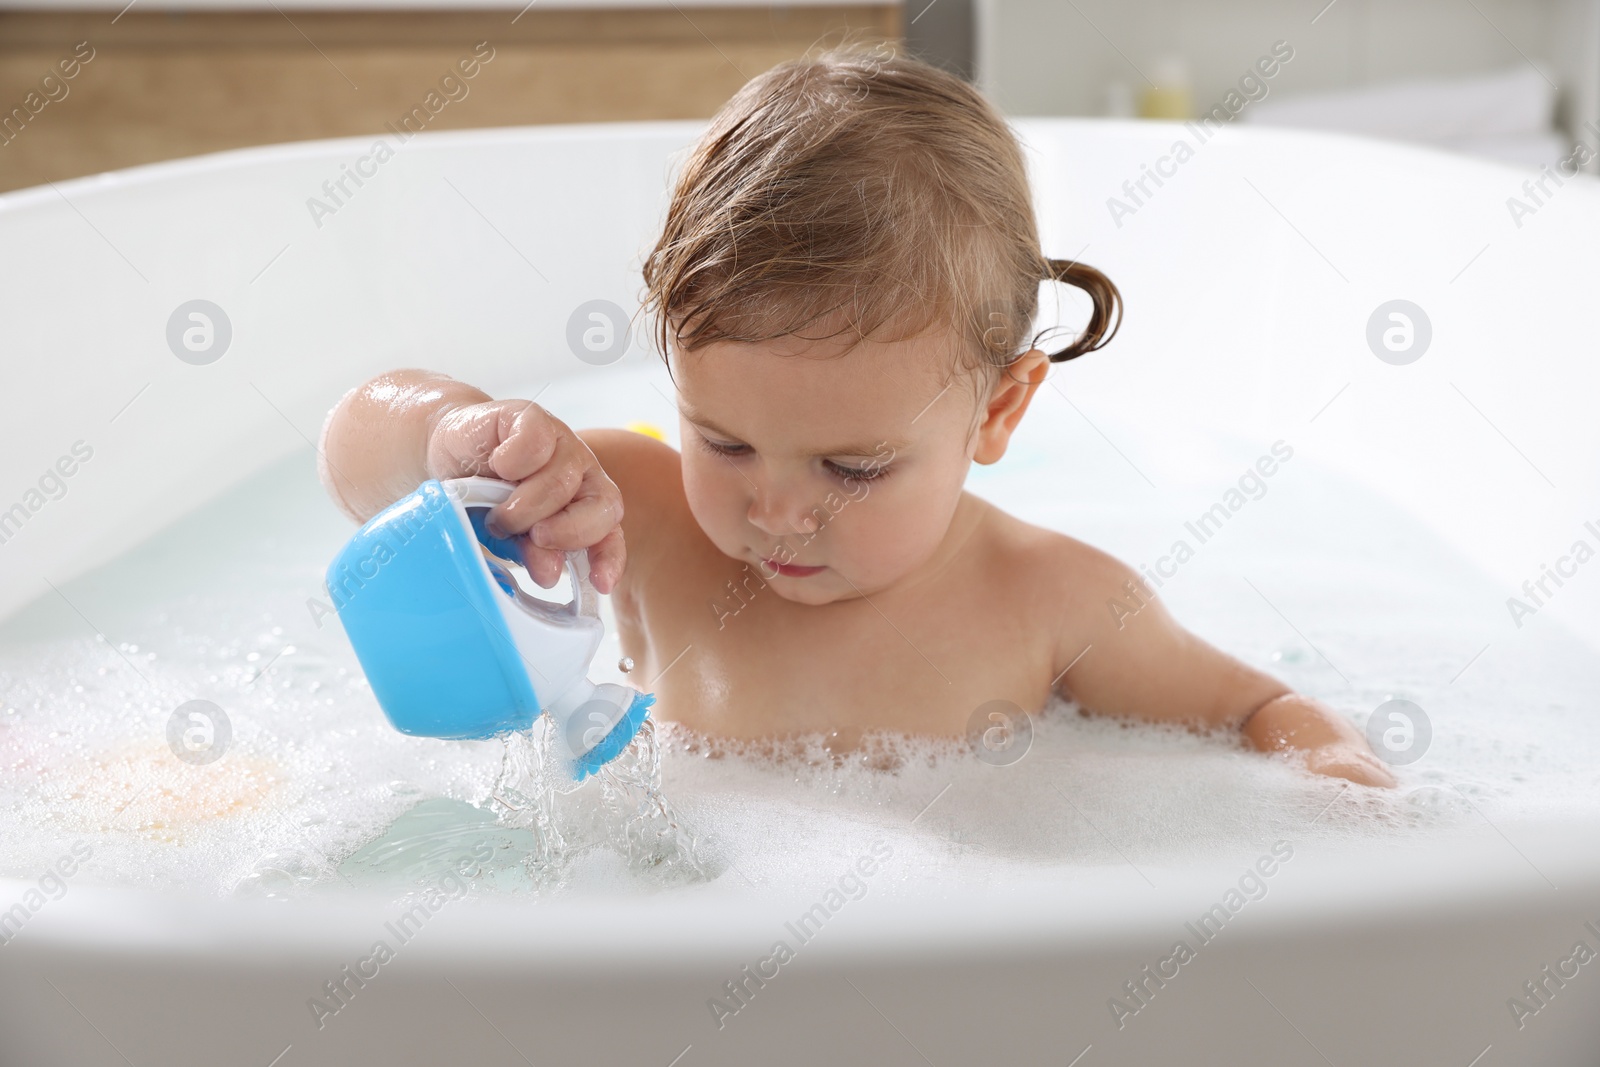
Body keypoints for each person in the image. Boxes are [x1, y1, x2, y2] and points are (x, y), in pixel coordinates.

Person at [319, 43, 1394, 788]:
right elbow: (356, 460)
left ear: (1000, 406)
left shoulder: (1055, 601)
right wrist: (454, 434)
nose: (776, 509)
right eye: (723, 439)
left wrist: (1337, 777)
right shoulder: (627, 506)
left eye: (853, 468)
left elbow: (1258, 708)